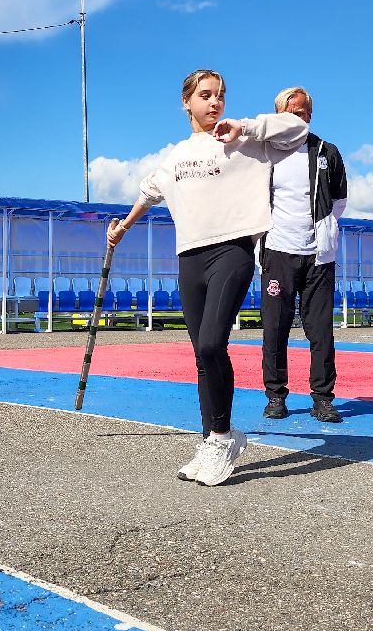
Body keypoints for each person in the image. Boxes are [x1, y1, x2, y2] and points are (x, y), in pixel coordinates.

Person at [108, 69, 307, 486]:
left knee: (215, 341)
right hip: (190, 256)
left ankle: (221, 437)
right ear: (186, 102)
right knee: (202, 352)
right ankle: (214, 438)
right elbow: (149, 190)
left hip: (231, 251)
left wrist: (247, 125)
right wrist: (123, 226)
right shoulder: (176, 155)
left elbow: (296, 127)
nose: (214, 102)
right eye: (205, 95)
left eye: (219, 95)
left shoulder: (244, 138)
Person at [259, 86, 349, 424]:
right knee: (275, 329)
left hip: (318, 257)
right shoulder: (265, 153)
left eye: (305, 113)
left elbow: (339, 201)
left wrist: (320, 231)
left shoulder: (327, 151)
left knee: (321, 330)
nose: (301, 118)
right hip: (278, 252)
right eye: (294, 113)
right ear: (280, 115)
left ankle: (323, 398)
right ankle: (276, 396)